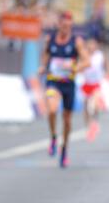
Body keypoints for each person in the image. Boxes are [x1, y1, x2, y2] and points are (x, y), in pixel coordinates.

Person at [38, 11, 90, 168]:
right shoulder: (50, 39)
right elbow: (46, 56)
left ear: (71, 25)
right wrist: (43, 67)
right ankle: (54, 136)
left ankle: (64, 148)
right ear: (59, 24)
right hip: (53, 81)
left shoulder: (76, 42)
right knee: (52, 110)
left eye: (68, 25)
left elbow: (86, 62)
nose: (65, 28)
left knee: (67, 120)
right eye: (63, 25)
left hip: (68, 83)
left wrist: (74, 66)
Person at [81, 37, 109, 142]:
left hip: (96, 84)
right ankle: (88, 125)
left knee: (95, 105)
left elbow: (106, 63)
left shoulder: (99, 55)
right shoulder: (84, 54)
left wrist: (108, 72)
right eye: (89, 45)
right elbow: (79, 64)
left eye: (93, 45)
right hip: (86, 83)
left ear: (95, 46)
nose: (91, 47)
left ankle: (95, 122)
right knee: (85, 105)